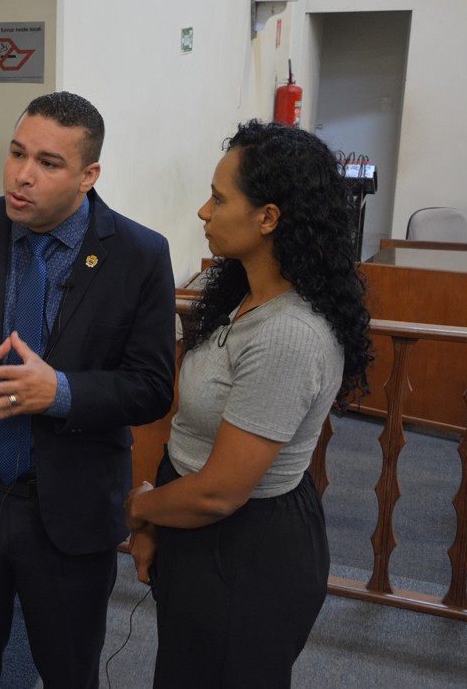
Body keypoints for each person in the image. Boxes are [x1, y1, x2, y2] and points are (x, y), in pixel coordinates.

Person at [0, 91, 176, 687]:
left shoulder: (138, 254)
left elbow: (152, 387)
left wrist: (61, 393)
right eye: (17, 153)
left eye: (48, 163)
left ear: (87, 176)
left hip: (71, 512)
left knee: (68, 672)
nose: (22, 176)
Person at [123, 120, 372, 687]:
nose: (203, 212)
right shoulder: (243, 295)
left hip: (245, 547)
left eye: (218, 199)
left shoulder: (289, 334)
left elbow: (219, 492)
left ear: (268, 218)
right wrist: (160, 520)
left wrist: (142, 508)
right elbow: (194, 438)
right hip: (196, 524)